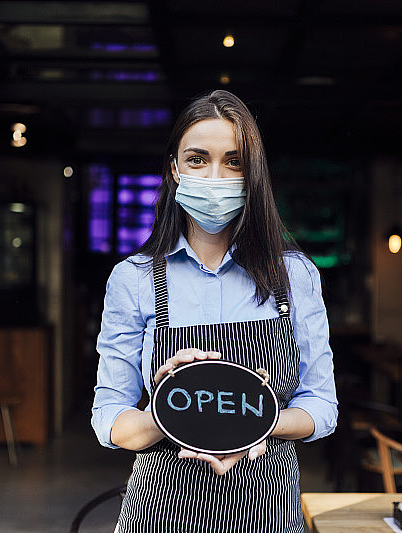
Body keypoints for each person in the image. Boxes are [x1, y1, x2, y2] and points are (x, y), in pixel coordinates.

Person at [91, 89, 337, 533]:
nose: (215, 175)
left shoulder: (294, 276)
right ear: (174, 169)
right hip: (161, 512)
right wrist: (167, 416)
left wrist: (260, 426)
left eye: (234, 161)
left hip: (270, 511)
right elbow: (109, 416)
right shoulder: (135, 279)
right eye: (198, 159)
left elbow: (322, 406)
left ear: (252, 174)